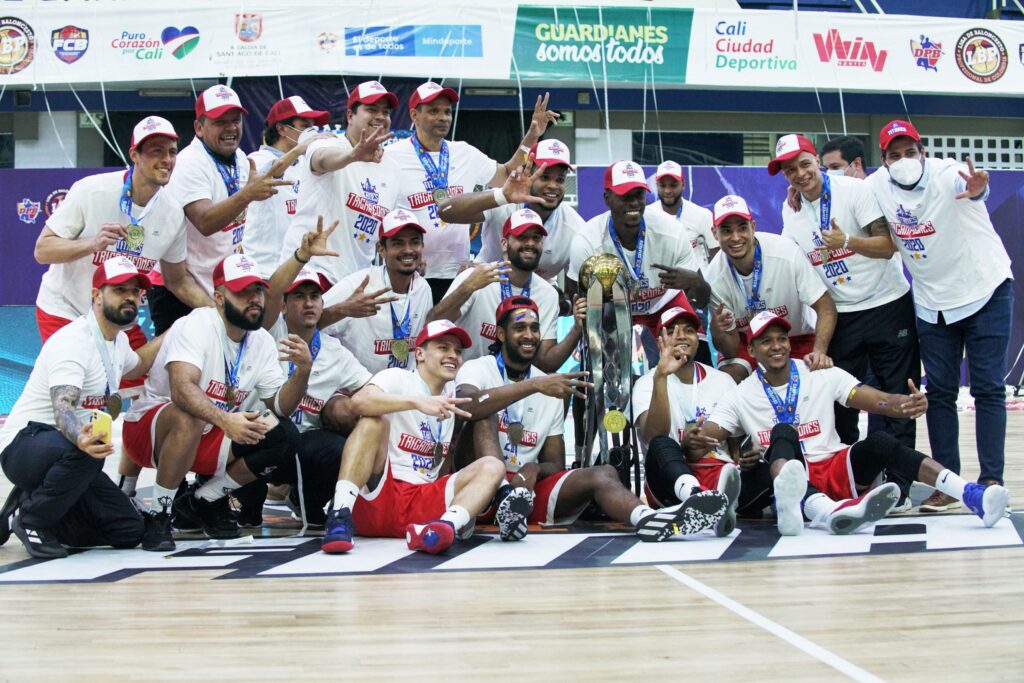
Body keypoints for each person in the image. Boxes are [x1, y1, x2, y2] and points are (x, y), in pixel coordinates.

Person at [696, 311, 1010, 536]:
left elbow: (876, 400)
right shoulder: (740, 395)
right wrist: (694, 436)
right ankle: (824, 510)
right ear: (751, 350)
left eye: (781, 339)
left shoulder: (820, 373)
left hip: (833, 467)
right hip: (783, 479)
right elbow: (706, 438)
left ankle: (970, 494)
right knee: (783, 431)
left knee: (881, 442)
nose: (776, 346)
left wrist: (906, 405)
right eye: (766, 341)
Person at [456, 296, 728, 541]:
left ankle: (647, 519)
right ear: (501, 333)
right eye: (520, 328)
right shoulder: (480, 368)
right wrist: (534, 385)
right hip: (479, 490)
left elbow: (555, 464)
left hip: (523, 494)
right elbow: (469, 405)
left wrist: (534, 469)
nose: (529, 335)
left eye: (535, 328)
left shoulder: (550, 387)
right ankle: (502, 495)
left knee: (604, 473)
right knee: (485, 411)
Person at [865, 119, 1014, 510]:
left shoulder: (948, 173)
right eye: (894, 155)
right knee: (940, 393)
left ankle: (991, 479)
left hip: (984, 290)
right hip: (933, 304)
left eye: (910, 152)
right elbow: (842, 193)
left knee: (987, 388)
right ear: (884, 159)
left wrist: (979, 190)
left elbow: (973, 187)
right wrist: (798, 196)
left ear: (923, 152)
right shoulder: (876, 186)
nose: (903, 160)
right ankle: (949, 484)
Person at [121, 254, 307, 550]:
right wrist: (225, 420)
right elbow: (181, 389)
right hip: (150, 433)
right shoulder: (196, 324)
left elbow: (280, 406)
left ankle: (204, 499)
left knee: (283, 433)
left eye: (257, 290)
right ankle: (160, 515)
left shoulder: (261, 340)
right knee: (189, 416)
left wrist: (303, 372)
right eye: (242, 292)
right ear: (219, 298)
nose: (253, 299)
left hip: (211, 433)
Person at [321, 320, 530, 555]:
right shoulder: (397, 377)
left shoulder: (450, 398)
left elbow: (439, 465)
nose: (453, 355)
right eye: (443, 348)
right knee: (373, 421)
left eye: (458, 351)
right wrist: (417, 401)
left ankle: (443, 528)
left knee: (493, 466)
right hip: (380, 494)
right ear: (420, 354)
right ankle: (340, 514)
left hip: (421, 501)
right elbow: (358, 402)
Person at [0, 259, 163, 558]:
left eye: (135, 291)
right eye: (120, 290)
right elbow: (63, 406)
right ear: (96, 295)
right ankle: (32, 520)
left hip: (73, 457)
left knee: (128, 530)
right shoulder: (74, 341)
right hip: (26, 445)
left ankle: (26, 505)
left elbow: (138, 364)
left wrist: (174, 332)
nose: (130, 297)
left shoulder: (119, 341)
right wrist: (80, 438)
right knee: (89, 451)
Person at [773, 133, 918, 467]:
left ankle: (900, 481)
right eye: (790, 170)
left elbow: (887, 247)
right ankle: (852, 478)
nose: (800, 174)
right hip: (841, 314)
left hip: (887, 304)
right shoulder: (790, 208)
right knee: (840, 406)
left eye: (805, 164)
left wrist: (847, 241)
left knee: (898, 398)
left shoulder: (854, 190)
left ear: (816, 160)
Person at [230, 220, 371, 527]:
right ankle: (220, 493)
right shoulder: (266, 334)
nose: (309, 303)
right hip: (256, 441)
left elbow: (371, 387)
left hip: (302, 448)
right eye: (299, 296)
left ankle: (305, 498)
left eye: (315, 296)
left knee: (338, 445)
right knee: (245, 517)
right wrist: (301, 256)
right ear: (282, 306)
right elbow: (273, 291)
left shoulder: (335, 352)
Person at [33, 115, 210, 346]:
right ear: (134, 155)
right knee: (82, 368)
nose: (167, 159)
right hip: (66, 311)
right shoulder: (92, 190)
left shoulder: (173, 213)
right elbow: (42, 250)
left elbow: (177, 281)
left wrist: (216, 311)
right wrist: (91, 244)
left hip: (118, 318)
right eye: (157, 151)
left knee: (143, 370)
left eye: (172, 152)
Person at [385, 82, 559, 303]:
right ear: (414, 115)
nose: (443, 117)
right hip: (411, 272)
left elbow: (506, 173)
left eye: (447, 112)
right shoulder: (391, 156)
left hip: (458, 274)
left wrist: (532, 136)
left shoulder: (464, 153)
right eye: (434, 111)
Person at [149, 84, 300, 333]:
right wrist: (247, 194)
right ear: (199, 128)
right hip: (180, 287)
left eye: (235, 120)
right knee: (186, 355)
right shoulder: (189, 163)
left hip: (219, 282)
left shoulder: (240, 158)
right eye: (220, 121)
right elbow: (205, 222)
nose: (231, 128)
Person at [633, 300, 765, 537]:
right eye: (673, 331)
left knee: (770, 466)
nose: (682, 336)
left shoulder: (722, 381)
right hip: (670, 482)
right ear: (659, 340)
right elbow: (652, 437)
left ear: (698, 339)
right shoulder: (646, 383)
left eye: (689, 330)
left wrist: (749, 456)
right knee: (662, 443)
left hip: (719, 470)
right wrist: (661, 376)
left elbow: (735, 445)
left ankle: (718, 504)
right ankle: (697, 496)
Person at [426, 207, 583, 371]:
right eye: (522, 237)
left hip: (516, 383)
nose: (530, 243)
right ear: (504, 244)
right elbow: (432, 324)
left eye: (536, 238)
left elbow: (544, 364)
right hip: (464, 380)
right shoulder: (475, 277)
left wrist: (577, 329)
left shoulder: (547, 294)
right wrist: (468, 287)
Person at [704, 194, 837, 382]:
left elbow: (825, 306)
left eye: (742, 228)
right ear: (714, 234)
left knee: (816, 379)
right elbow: (732, 350)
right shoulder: (713, 278)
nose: (735, 237)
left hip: (795, 338)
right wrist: (718, 331)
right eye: (726, 231)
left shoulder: (786, 253)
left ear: (753, 226)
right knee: (727, 378)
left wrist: (820, 352)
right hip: (748, 342)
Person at [279, 80, 399, 285]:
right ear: (350, 116)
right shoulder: (329, 143)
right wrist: (351, 156)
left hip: (355, 280)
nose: (380, 116)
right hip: (311, 274)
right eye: (371, 109)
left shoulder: (392, 168)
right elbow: (321, 159)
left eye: (386, 112)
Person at [566, 160, 706, 319]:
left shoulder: (672, 231)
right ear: (607, 198)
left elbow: (703, 300)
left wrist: (696, 282)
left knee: (688, 334)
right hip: (615, 311)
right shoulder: (588, 241)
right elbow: (579, 304)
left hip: (664, 304)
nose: (633, 203)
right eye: (625, 196)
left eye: (639, 195)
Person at [438, 139, 586, 282]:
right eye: (544, 177)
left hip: (538, 294)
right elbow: (446, 212)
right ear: (528, 173)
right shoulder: (504, 200)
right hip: (488, 286)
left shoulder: (575, 227)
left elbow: (575, 286)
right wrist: (502, 196)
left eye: (560, 179)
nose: (553, 186)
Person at [320, 208, 433, 374]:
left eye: (414, 242)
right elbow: (303, 325)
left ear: (422, 246)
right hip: (359, 386)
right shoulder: (358, 285)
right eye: (398, 243)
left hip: (405, 385)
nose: (408, 250)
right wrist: (342, 310)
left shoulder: (423, 289)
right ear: (381, 249)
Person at [243, 95, 330, 277]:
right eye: (305, 126)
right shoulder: (257, 160)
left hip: (299, 266)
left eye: (313, 127)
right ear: (282, 129)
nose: (311, 133)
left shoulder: (305, 164)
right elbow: (268, 175)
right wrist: (298, 149)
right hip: (265, 268)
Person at [651, 160, 718, 268]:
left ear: (683, 185)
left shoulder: (702, 215)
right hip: (659, 277)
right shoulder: (648, 214)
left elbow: (717, 256)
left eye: (673, 185)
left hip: (694, 277)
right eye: (662, 185)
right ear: (656, 185)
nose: (667, 191)